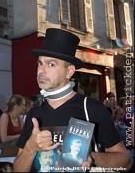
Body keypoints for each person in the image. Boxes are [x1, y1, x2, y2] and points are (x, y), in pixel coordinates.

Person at [13, 28, 131, 172]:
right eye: (39, 63)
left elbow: (125, 160)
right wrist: (30, 148)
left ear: (69, 71)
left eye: (51, 64)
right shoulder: (34, 114)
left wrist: (92, 158)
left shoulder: (91, 107)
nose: (41, 70)